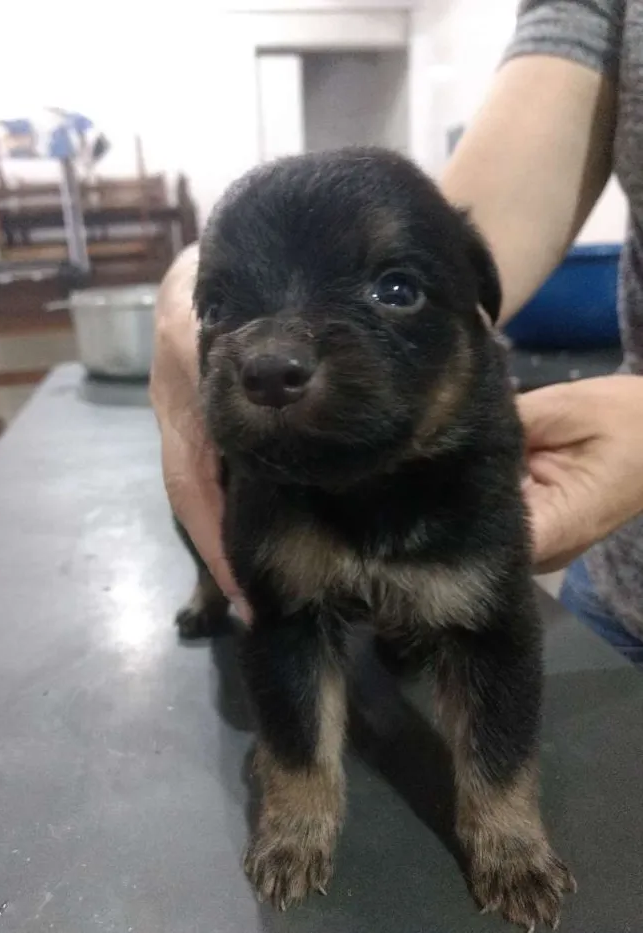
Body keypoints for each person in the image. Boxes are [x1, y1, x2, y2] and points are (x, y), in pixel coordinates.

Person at [151, 0, 643, 665]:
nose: (272, 352)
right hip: (618, 586)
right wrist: (194, 279)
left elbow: (448, 258)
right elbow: (461, 230)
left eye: (394, 292)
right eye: (220, 310)